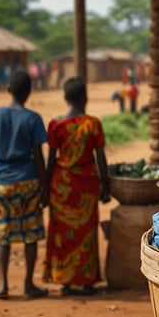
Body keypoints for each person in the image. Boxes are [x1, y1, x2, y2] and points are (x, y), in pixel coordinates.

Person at [0, 70, 49, 300]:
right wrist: (45, 187)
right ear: (28, 93)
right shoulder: (33, 119)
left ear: (8, 89)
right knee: (30, 234)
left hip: (3, 182)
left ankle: (3, 284)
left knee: (3, 235)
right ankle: (29, 284)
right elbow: (39, 157)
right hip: (28, 183)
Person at [43, 77, 111, 296]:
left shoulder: (55, 125)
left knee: (63, 234)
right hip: (86, 186)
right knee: (86, 232)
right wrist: (105, 185)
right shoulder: (92, 124)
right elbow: (100, 157)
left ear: (65, 98)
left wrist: (46, 188)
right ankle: (87, 281)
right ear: (85, 98)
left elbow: (51, 160)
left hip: (62, 186)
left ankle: (65, 282)